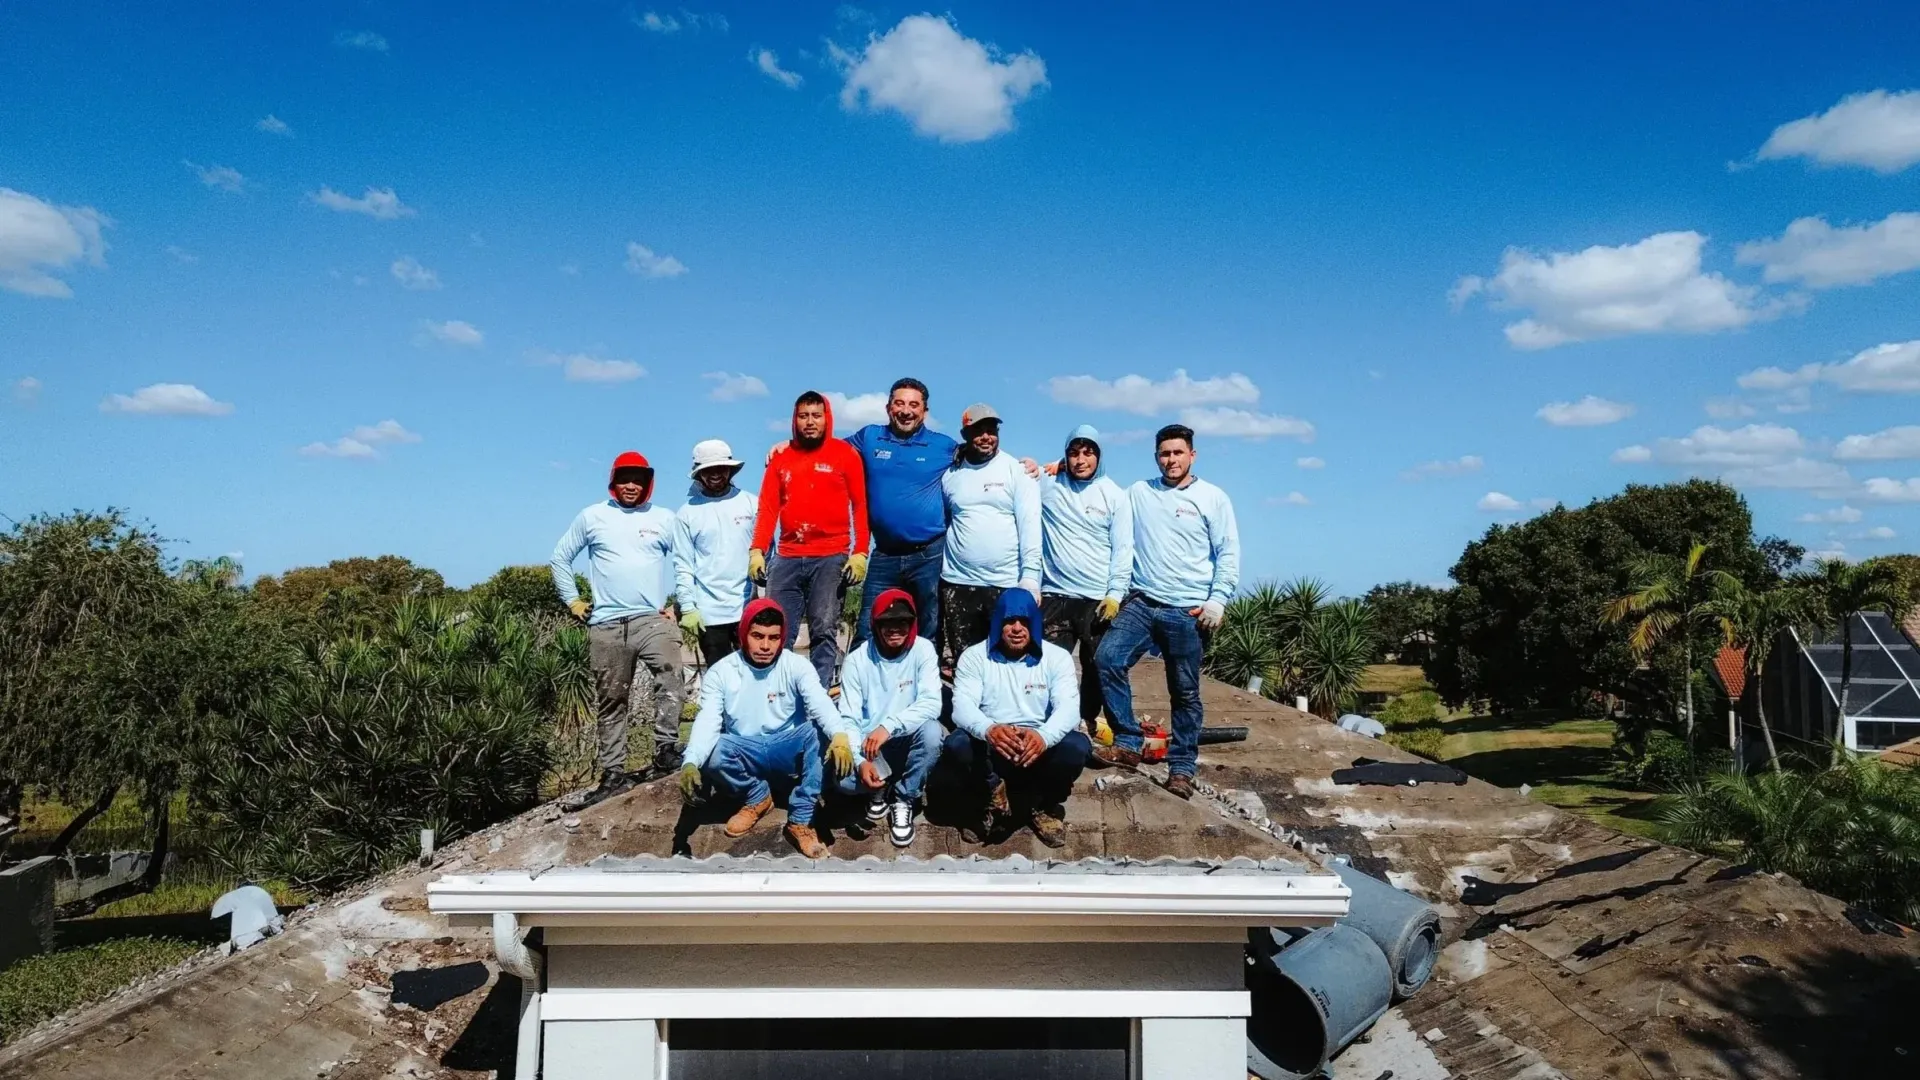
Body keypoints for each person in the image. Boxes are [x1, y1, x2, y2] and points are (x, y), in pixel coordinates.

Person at [1091, 424, 1240, 800]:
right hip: (1143, 602)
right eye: (1164, 454)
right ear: (1156, 456)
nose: (1170, 460)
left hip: (1187, 611)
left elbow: (1228, 553)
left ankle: (1182, 767)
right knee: (1107, 659)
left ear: (1192, 455)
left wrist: (1217, 600)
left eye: (1177, 453)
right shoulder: (1140, 493)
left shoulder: (1213, 498)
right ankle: (1127, 741)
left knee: (1185, 692)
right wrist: (1054, 469)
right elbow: (1102, 491)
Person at [551, 451, 683, 805]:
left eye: (638, 480)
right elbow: (560, 557)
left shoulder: (663, 518)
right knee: (612, 700)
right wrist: (573, 601)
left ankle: (666, 751)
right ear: (613, 481)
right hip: (607, 623)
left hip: (652, 619)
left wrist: (680, 605)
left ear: (648, 483)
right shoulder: (592, 516)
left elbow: (687, 560)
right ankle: (613, 773)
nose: (631, 486)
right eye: (625, 479)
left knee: (671, 680)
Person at [678, 599, 838, 858]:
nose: (765, 646)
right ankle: (756, 796)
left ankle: (800, 820)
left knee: (818, 733)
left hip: (787, 748)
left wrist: (840, 736)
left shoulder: (796, 665)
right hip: (746, 751)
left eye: (773, 638)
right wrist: (690, 762)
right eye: (757, 636)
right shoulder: (721, 672)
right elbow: (708, 718)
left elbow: (820, 703)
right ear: (743, 635)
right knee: (713, 750)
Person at [944, 588, 1090, 847]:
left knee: (1077, 747)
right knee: (958, 745)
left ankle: (1042, 806)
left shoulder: (1057, 658)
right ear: (998, 622)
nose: (1017, 628)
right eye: (1009, 621)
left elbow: (1068, 708)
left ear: (1035, 623)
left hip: (1036, 746)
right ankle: (989, 799)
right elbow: (962, 707)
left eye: (1024, 621)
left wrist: (1043, 737)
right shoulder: (975, 657)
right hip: (993, 745)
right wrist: (989, 729)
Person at [750, 391, 870, 687]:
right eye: (803, 416)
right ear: (795, 419)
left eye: (816, 415)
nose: (810, 422)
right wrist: (757, 550)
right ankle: (772, 693)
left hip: (831, 556)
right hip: (788, 556)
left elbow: (860, 505)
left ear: (827, 418)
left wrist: (861, 552)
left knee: (824, 630)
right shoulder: (781, 458)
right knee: (776, 631)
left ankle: (818, 701)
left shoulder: (845, 454)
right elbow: (767, 509)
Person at [843, 378, 958, 646]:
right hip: (885, 554)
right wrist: (789, 446)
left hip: (929, 555)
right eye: (900, 403)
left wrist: (1043, 465)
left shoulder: (944, 446)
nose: (906, 410)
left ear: (925, 412)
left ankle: (927, 686)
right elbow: (828, 452)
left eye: (914, 405)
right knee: (868, 629)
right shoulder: (869, 437)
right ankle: (859, 686)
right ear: (888, 407)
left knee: (927, 629)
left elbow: (984, 457)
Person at [828, 589, 944, 847]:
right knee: (844, 780)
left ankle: (904, 797)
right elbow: (849, 717)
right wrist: (859, 762)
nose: (894, 629)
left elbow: (932, 703)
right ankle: (879, 788)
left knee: (933, 733)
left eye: (902, 621)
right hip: (870, 747)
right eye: (886, 622)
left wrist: (889, 726)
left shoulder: (923, 650)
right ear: (875, 624)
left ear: (912, 623)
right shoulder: (857, 659)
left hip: (907, 739)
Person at [1038, 424, 1134, 733]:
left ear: (1099, 456)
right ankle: (1051, 719)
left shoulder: (1114, 495)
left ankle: (1087, 718)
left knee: (1096, 666)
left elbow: (1123, 549)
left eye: (1088, 453)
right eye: (1074, 454)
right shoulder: (1049, 484)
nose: (1081, 460)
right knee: (1050, 664)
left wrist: (1115, 594)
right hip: (1054, 594)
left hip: (1096, 598)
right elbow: (1014, 474)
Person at [937, 403, 1041, 678]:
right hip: (958, 583)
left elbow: (1030, 525)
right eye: (978, 431)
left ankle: (1008, 718)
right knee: (966, 661)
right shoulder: (951, 475)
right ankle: (971, 720)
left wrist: (1030, 578)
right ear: (965, 434)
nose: (986, 437)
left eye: (991, 430)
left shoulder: (1018, 471)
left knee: (1008, 661)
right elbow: (949, 521)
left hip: (1005, 583)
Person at [673, 439, 757, 667]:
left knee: (755, 675)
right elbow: (682, 564)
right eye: (708, 470)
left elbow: (767, 555)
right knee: (719, 679)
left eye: (720, 468)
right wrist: (688, 607)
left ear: (730, 469)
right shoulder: (687, 513)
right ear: (699, 473)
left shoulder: (752, 503)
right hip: (708, 614)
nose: (715, 474)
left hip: (747, 607)